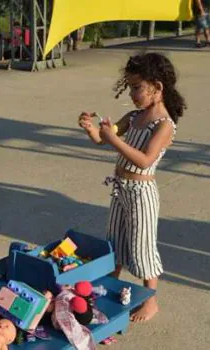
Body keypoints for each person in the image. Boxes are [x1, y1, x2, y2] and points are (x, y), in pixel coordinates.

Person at [78, 53, 186, 322]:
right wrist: (92, 129)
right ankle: (109, 283)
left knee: (142, 247)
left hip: (141, 193)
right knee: (114, 240)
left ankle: (151, 300)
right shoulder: (134, 116)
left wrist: (113, 139)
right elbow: (103, 139)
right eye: (130, 87)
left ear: (157, 87)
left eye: (137, 87)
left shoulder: (164, 125)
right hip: (120, 189)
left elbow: (145, 159)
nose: (133, 93)